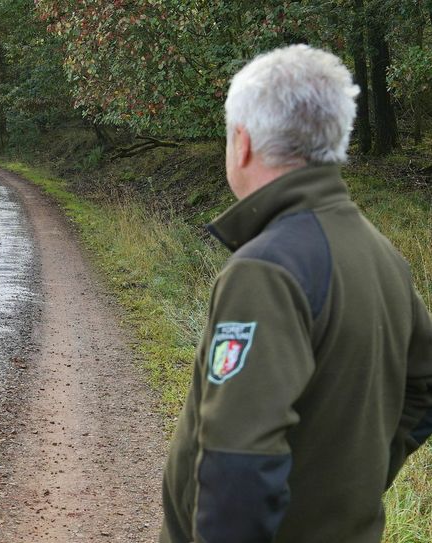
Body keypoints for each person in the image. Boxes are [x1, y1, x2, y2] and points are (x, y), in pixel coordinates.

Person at [159, 44, 432, 543]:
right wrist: (356, 477)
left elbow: (237, 464)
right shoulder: (380, 254)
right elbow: (425, 386)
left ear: (241, 143)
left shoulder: (266, 270)